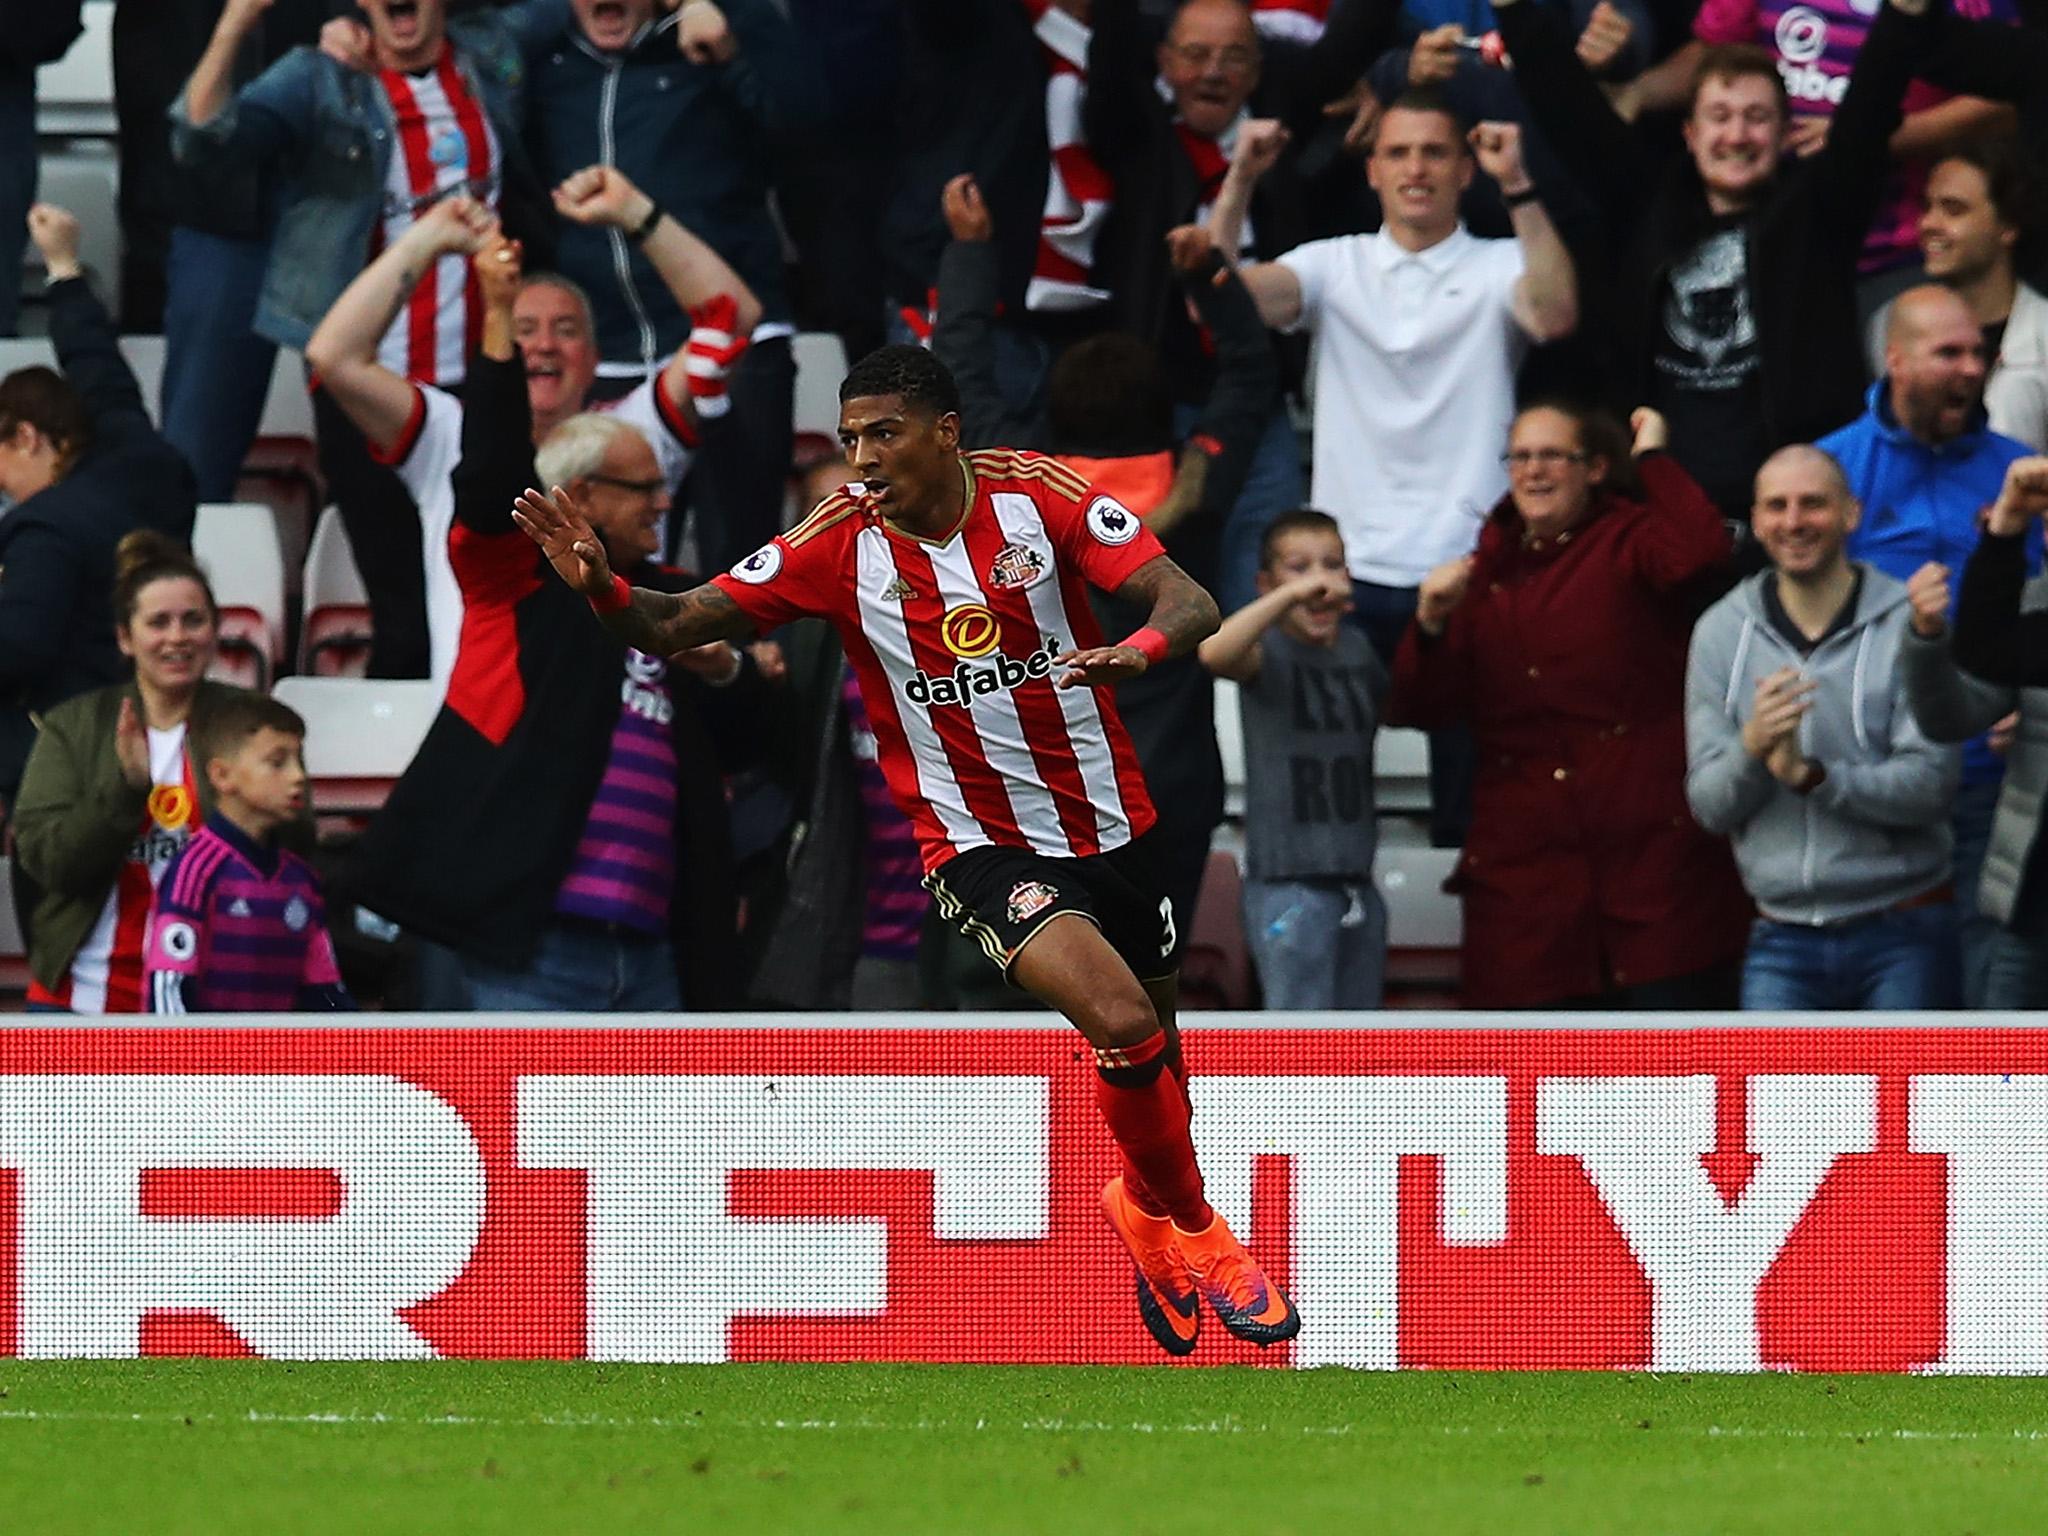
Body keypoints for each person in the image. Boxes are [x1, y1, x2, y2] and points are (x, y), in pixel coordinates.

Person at [512, 344, 1300, 1357]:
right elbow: (672, 622)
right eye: (848, 439)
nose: (862, 457)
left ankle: (1144, 1208)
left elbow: (1185, 600)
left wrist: (1135, 650)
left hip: (1111, 822)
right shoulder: (834, 541)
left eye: (882, 433)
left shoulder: (1035, 496)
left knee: (1156, 1060)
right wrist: (604, 590)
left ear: (944, 432)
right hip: (972, 840)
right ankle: (1201, 1231)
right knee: (1112, 1016)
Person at [347, 233, 757, 1013]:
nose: (665, 503)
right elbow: (491, 463)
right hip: (524, 934)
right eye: (643, 490)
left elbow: (755, 730)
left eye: (567, 328)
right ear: (583, 497)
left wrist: (732, 668)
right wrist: (495, 315)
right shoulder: (517, 577)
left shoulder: (670, 599)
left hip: (651, 946)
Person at [932, 179, 1277, 981]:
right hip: (1168, 792)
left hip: (1033, 792)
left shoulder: (1019, 494)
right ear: (1166, 416)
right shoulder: (1195, 492)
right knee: (1146, 999)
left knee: (1032, 1012)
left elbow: (962, 377)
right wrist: (1210, 280)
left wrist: (970, 255)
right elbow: (1252, 377)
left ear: (1053, 417)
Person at [170, 0, 567, 676]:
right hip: (365, 384)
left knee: (488, 595)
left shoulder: (490, 54)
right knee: (403, 616)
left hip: (480, 381)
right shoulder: (322, 75)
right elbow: (200, 145)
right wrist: (236, 22)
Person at [1218, 101, 1578, 844]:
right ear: (1373, 169)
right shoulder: (1333, 262)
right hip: (1344, 574)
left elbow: (1554, 317)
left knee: (1470, 798)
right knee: (1330, 789)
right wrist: (1239, 181)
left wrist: (1519, 185)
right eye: (1400, 152)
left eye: (1436, 152)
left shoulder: (1500, 261)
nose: (1417, 168)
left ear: (1464, 169)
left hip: (1465, 569)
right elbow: (1225, 305)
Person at [1488, 0, 1945, 526]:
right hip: (1659, 507)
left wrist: (1905, 16)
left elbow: (1871, 106)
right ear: (1689, 133)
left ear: (1783, 134)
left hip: (1789, 509)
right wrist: (1515, 11)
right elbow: (1567, 107)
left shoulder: (1819, 214)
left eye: (1757, 119)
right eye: (1719, 117)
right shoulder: (1645, 201)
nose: (1736, 136)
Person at [304, 176, 758, 687]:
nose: (542, 347)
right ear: (496, 342)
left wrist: (635, 212)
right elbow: (333, 356)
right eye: (523, 331)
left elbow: (733, 315)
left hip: (620, 721)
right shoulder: (449, 433)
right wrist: (427, 236)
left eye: (566, 330)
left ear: (593, 359)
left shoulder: (633, 432)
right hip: (478, 723)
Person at [1394, 403, 1751, 1009]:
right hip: (1529, 890)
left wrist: (1654, 460)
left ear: (1595, 469)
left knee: (1666, 1077)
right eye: (1520, 457)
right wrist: (1429, 622)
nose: (1533, 471)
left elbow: (1700, 550)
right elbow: (1422, 706)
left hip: (1653, 872)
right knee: (1527, 1080)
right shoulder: (1483, 569)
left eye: (1552, 455)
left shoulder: (1632, 539)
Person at [1086, 0, 1395, 611]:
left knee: (1264, 578)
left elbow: (1351, 44)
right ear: (1164, 64)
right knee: (1156, 584)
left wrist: (1383, 84)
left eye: (1233, 58)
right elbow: (1113, 47)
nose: (1213, 73)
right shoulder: (1133, 138)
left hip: (1257, 408)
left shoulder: (1279, 138)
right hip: (1155, 407)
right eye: (1196, 55)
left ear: (1258, 72)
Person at [1819, 282, 2034, 1006]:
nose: (1971, 369)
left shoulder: (2021, 474)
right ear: (1896, 361)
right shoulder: (1828, 474)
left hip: (1985, 778)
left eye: (1980, 353)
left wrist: (2028, 702)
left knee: (1989, 987)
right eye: (1949, 352)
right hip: (1873, 773)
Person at [1685, 445, 1960, 1010]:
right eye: (1776, 506)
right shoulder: (1719, 632)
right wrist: (1754, 747)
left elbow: (1933, 786)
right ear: (1756, 521)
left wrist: (1813, 777)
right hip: (1780, 935)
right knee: (1783, 1104)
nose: (1793, 522)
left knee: (1904, 1103)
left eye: (1813, 504)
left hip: (1903, 927)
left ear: (1850, 514)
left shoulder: (1909, 624)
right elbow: (1709, 806)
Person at [10, 532, 301, 1014]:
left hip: (222, 1001)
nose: (177, 637)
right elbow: (49, 863)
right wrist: (123, 793)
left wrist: (256, 806)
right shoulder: (75, 726)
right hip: (85, 1000)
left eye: (193, 620)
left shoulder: (255, 723)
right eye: (158, 622)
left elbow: (297, 848)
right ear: (126, 637)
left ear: (215, 629)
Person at [0, 206, 199, 809]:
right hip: (168, 729)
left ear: (28, 438)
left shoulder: (43, 526)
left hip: (68, 759)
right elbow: (100, 368)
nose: (6, 488)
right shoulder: (143, 460)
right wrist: (63, 265)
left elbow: (16, 651)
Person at [1615, 0, 2013, 300]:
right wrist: (1636, 93)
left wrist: (1871, 138)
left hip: (1898, 252)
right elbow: (1714, 56)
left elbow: (2008, 97)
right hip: (1771, 244)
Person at [1200, 510, 1389, 1010]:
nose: (1319, 584)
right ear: (1266, 583)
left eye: (1333, 566)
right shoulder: (1268, 652)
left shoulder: (1359, 649)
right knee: (1300, 1038)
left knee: (1364, 1042)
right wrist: (1286, 598)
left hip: (1357, 881)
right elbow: (1214, 652)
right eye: (1298, 568)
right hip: (1288, 882)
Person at [1901, 548, 2048, 1007]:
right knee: (2000, 1074)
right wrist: (1927, 638)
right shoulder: (2034, 603)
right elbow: (1951, 719)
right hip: (2030, 912)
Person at [143, 694, 353, 1014]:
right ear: (222, 776)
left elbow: (324, 992)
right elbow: (169, 986)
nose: (298, 776)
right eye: (277, 762)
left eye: (299, 761)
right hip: (204, 1061)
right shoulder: (195, 871)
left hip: (276, 1062)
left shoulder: (302, 881)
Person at [1869, 137, 2048, 452]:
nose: (1927, 224)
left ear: (2007, 226)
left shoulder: (2043, 333)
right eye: (1927, 207)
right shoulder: (1889, 322)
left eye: (1953, 209)